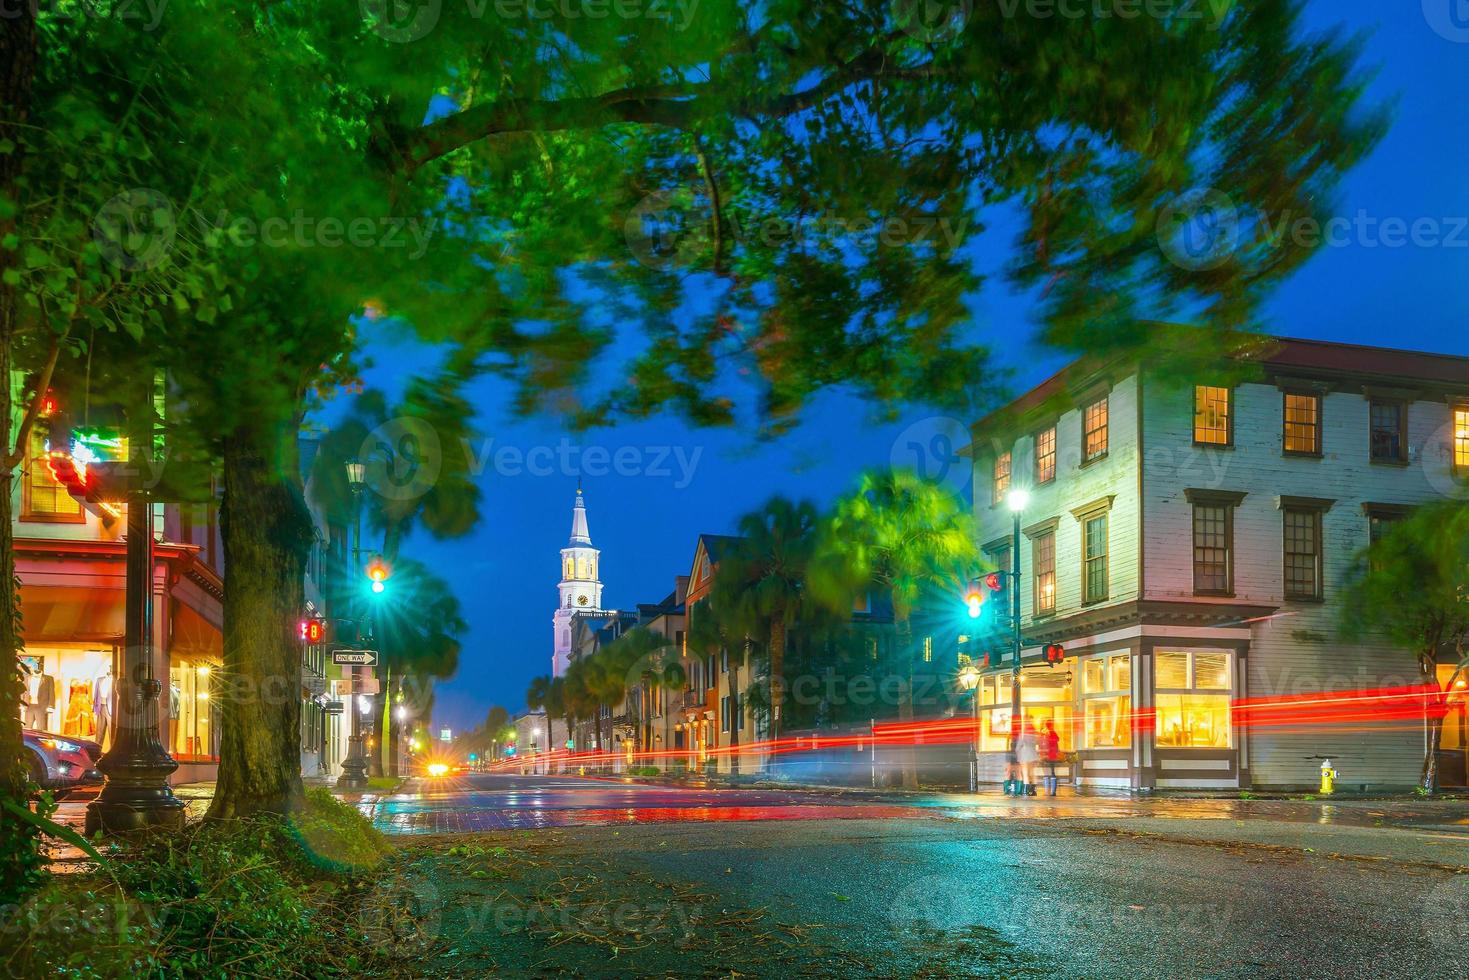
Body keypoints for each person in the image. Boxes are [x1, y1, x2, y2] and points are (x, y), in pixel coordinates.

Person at [1014, 715, 1040, 796]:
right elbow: (1037, 742)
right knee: (1032, 773)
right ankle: (1034, 791)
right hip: (1033, 754)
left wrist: (1016, 751)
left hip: (1024, 754)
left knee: (1025, 774)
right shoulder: (1034, 732)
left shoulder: (1023, 733)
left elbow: (1019, 745)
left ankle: (1026, 791)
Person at [1038, 719, 1062, 797]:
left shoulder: (1046, 733)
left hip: (1047, 755)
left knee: (1047, 773)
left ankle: (1048, 791)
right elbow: (1056, 740)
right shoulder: (1051, 732)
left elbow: (1043, 744)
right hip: (1052, 755)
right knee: (1052, 772)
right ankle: (1052, 791)